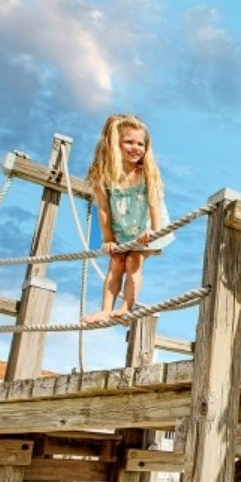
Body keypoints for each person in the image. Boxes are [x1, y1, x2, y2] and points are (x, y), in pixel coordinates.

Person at [81, 113, 172, 324]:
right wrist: (108, 239)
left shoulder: (145, 172)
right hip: (122, 228)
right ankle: (105, 310)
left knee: (133, 260)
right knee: (116, 261)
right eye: (129, 142)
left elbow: (154, 202)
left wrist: (155, 231)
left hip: (146, 226)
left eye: (141, 143)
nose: (136, 148)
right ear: (115, 144)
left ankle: (126, 307)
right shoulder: (104, 176)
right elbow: (103, 209)